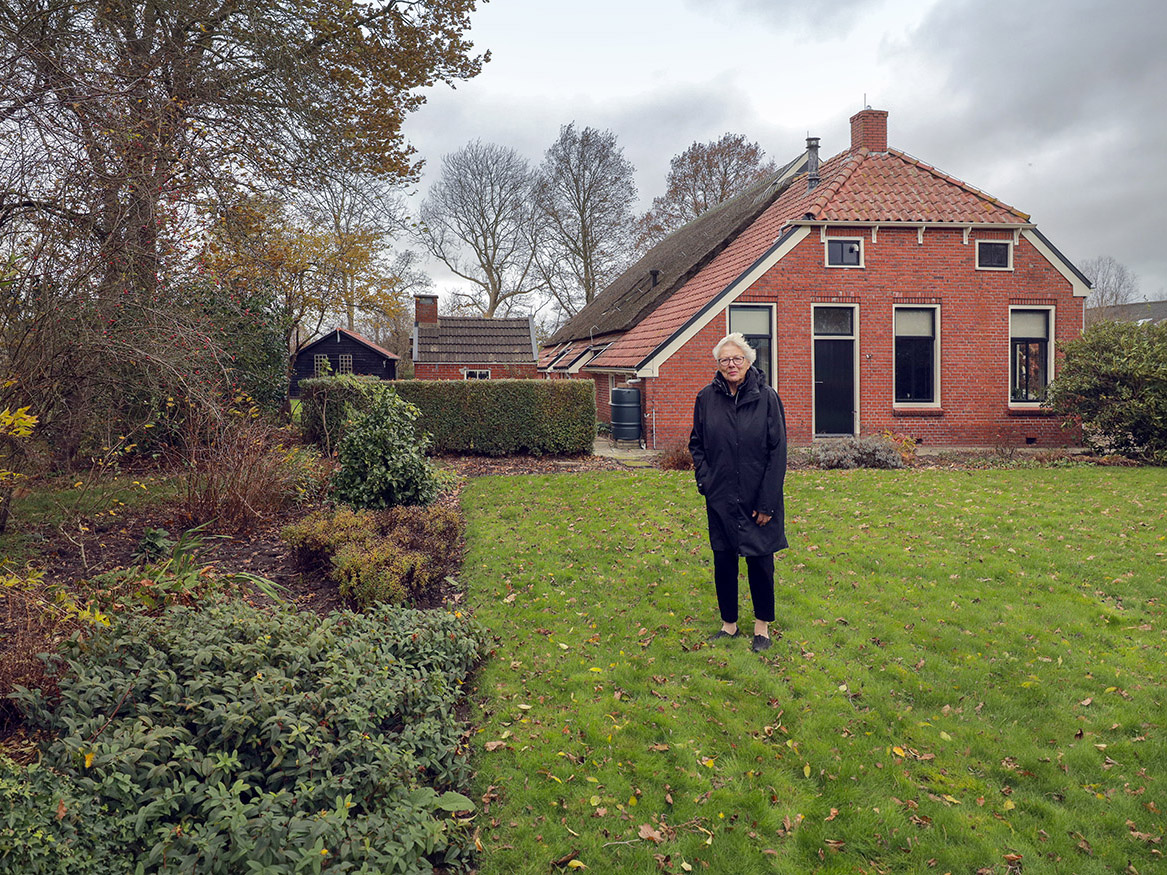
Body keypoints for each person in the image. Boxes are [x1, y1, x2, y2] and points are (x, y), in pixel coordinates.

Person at [688, 332, 788, 653]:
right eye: (725, 360)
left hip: (759, 498)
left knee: (760, 563)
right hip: (721, 498)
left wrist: (767, 503)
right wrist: (706, 482)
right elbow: (697, 444)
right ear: (718, 364)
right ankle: (728, 624)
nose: (731, 364)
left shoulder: (767, 398)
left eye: (737, 359)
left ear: (748, 361)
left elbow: (777, 452)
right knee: (724, 561)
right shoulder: (706, 398)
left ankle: (762, 626)